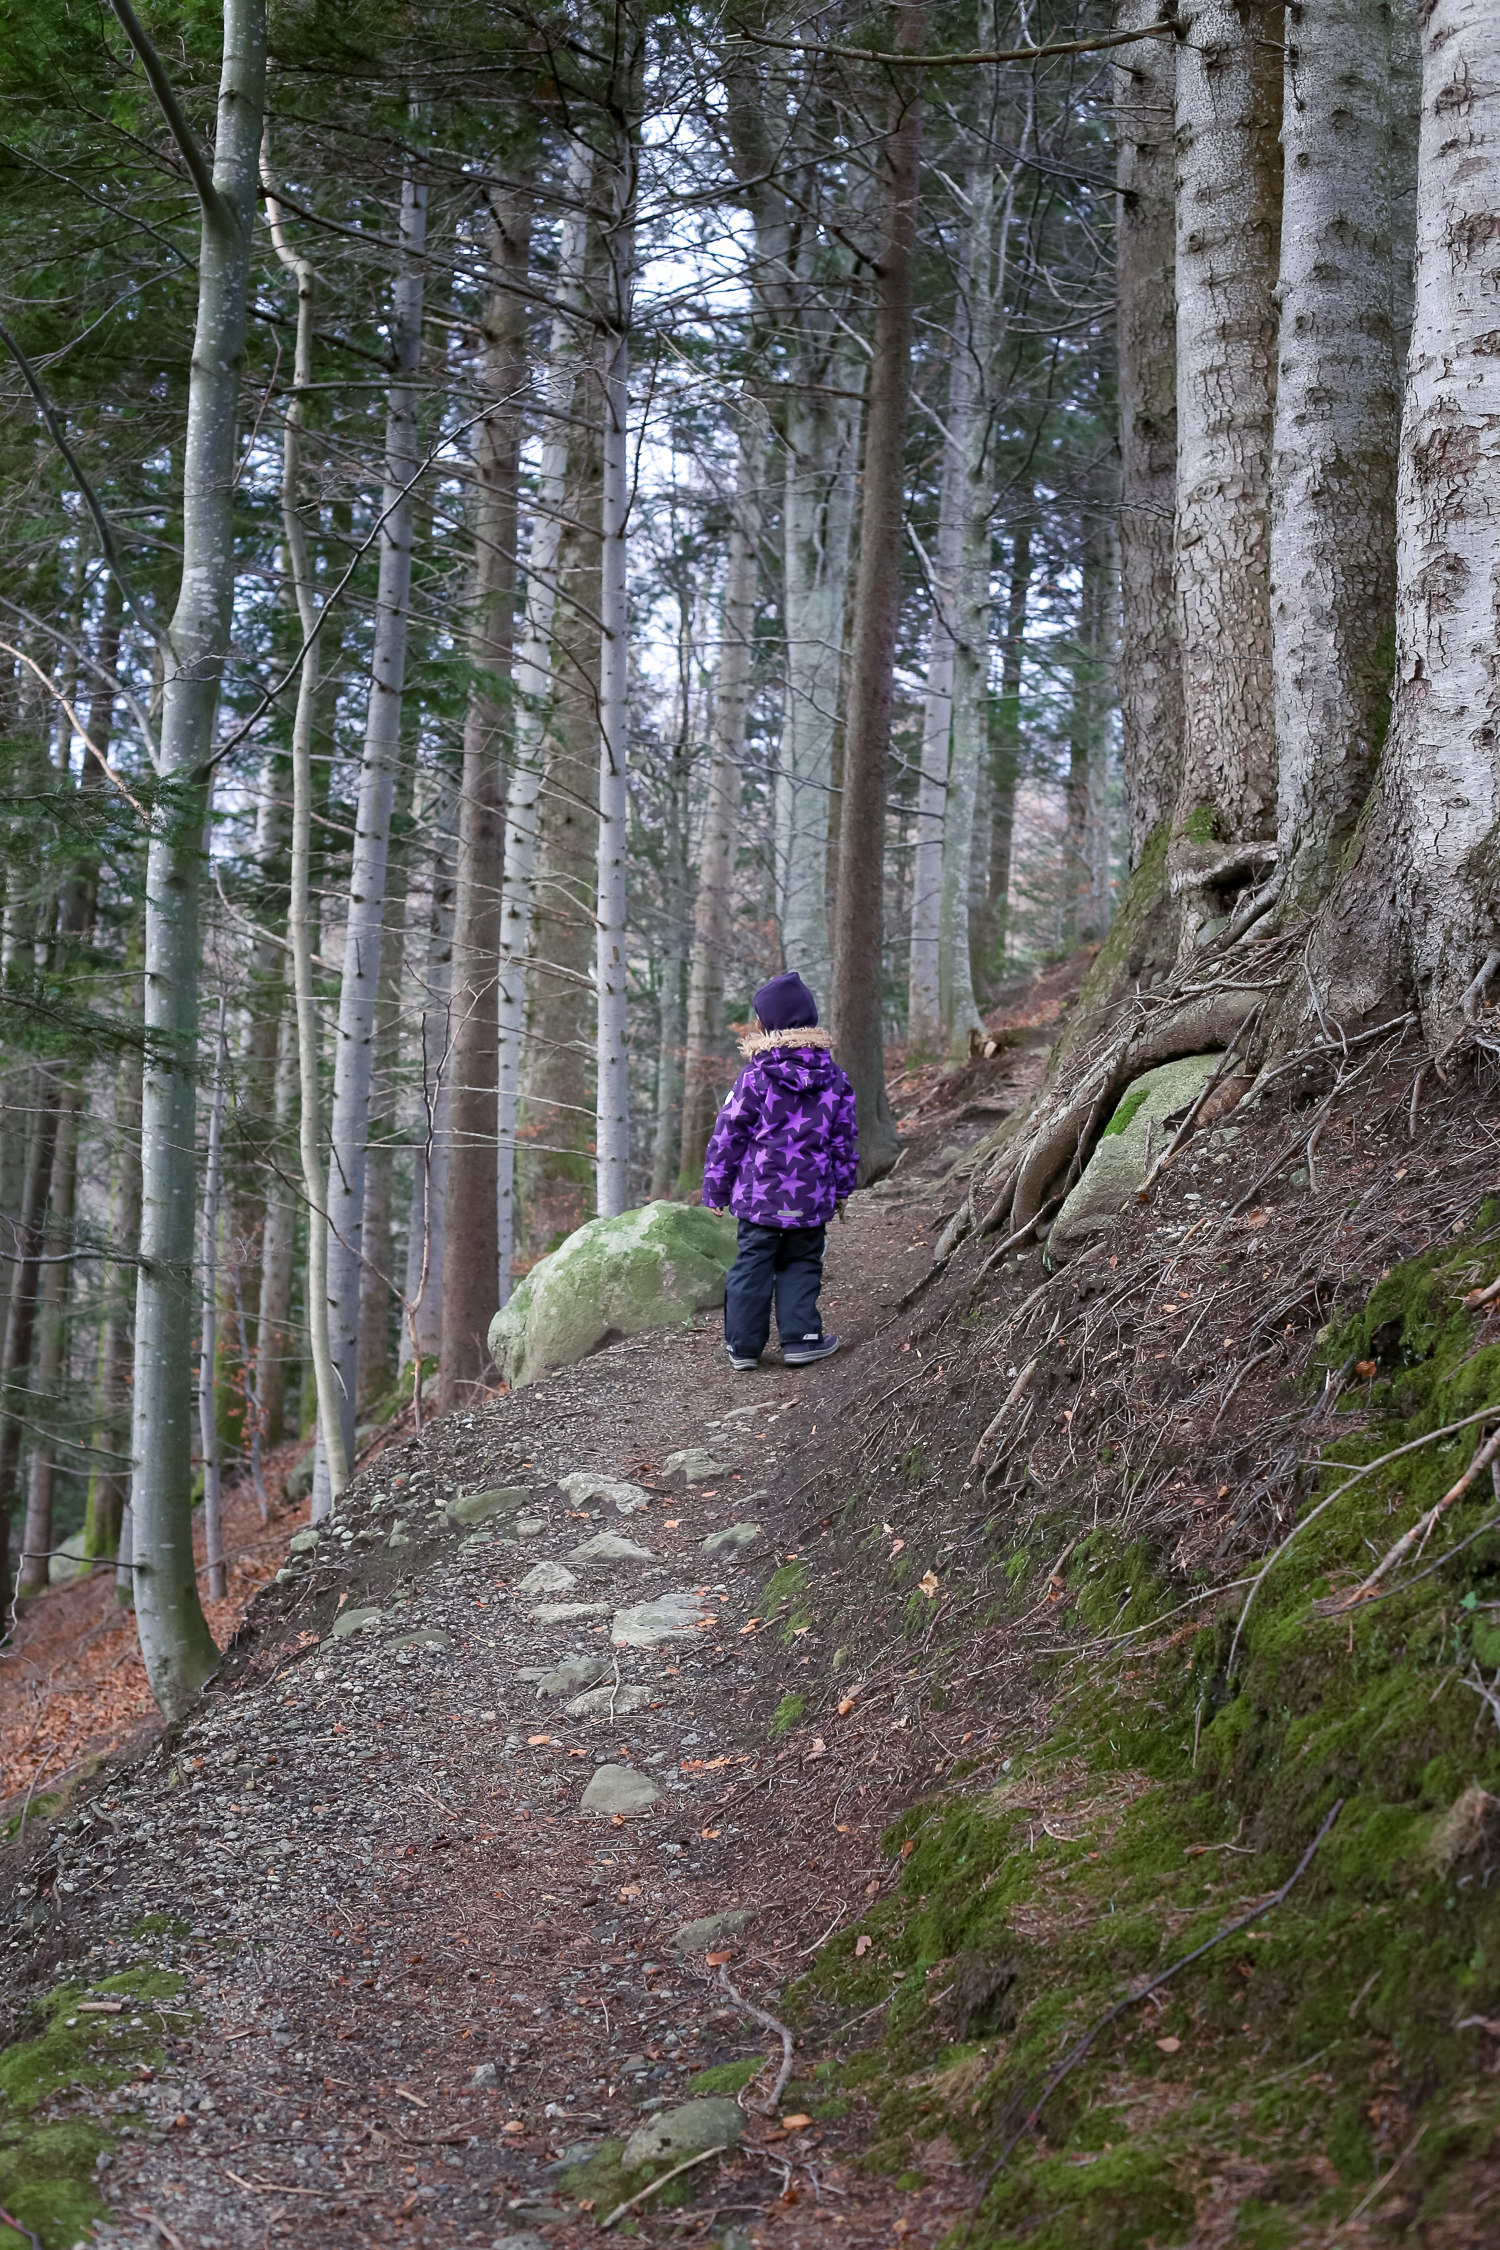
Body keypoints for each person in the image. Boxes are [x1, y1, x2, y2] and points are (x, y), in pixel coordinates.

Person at [701, 971, 857, 1369]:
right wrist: (842, 1188)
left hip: (760, 1197)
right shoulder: (835, 1077)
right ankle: (802, 1340)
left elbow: (728, 1134)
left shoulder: (755, 1076)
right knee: (802, 1262)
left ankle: (742, 1348)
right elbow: (843, 1139)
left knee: (752, 1263)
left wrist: (716, 1189)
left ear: (769, 1023)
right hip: (811, 1193)